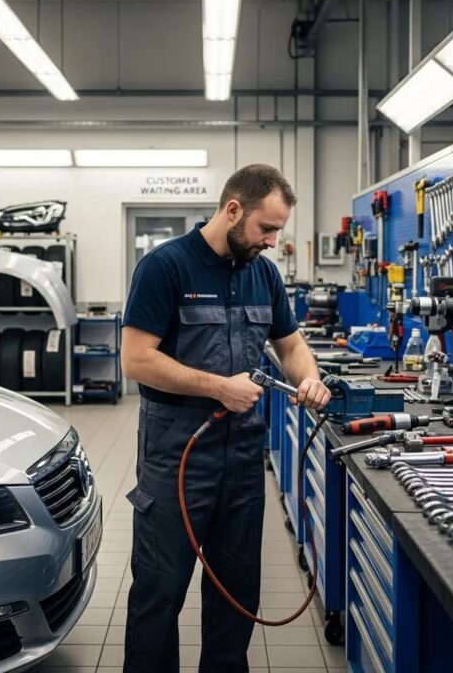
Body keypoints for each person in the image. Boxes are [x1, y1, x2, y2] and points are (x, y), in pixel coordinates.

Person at [121, 164, 331, 673]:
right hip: (175, 452)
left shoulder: (263, 273)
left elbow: (290, 343)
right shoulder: (165, 267)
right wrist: (219, 387)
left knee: (236, 593)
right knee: (160, 590)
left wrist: (308, 377)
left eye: (278, 231)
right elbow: (136, 360)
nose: (273, 241)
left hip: (241, 457)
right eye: (266, 228)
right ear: (233, 210)